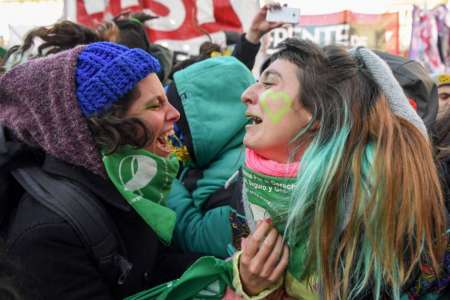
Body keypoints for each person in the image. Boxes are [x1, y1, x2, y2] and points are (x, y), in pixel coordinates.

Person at [229, 39, 449, 299]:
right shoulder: (249, 187)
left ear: (317, 115)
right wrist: (249, 284)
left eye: (269, 83)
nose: (246, 94)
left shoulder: (390, 214)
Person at [0, 42, 199, 299]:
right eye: (155, 105)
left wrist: (231, 270)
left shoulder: (123, 182)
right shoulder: (48, 234)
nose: (174, 114)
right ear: (102, 125)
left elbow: (154, 266)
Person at [166, 56, 255, 258]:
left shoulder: (245, 171)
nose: (172, 133)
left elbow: (203, 239)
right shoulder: (214, 150)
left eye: (179, 125)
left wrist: (164, 180)